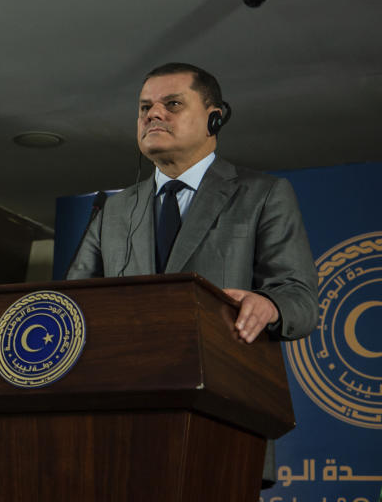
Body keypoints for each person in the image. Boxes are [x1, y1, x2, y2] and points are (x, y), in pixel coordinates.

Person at [67, 63, 318, 344]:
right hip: (126, 377)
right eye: (144, 107)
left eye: (172, 104)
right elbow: (73, 302)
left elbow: (300, 298)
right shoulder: (113, 210)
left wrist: (269, 305)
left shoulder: (264, 194)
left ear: (214, 120)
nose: (153, 114)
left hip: (222, 373)